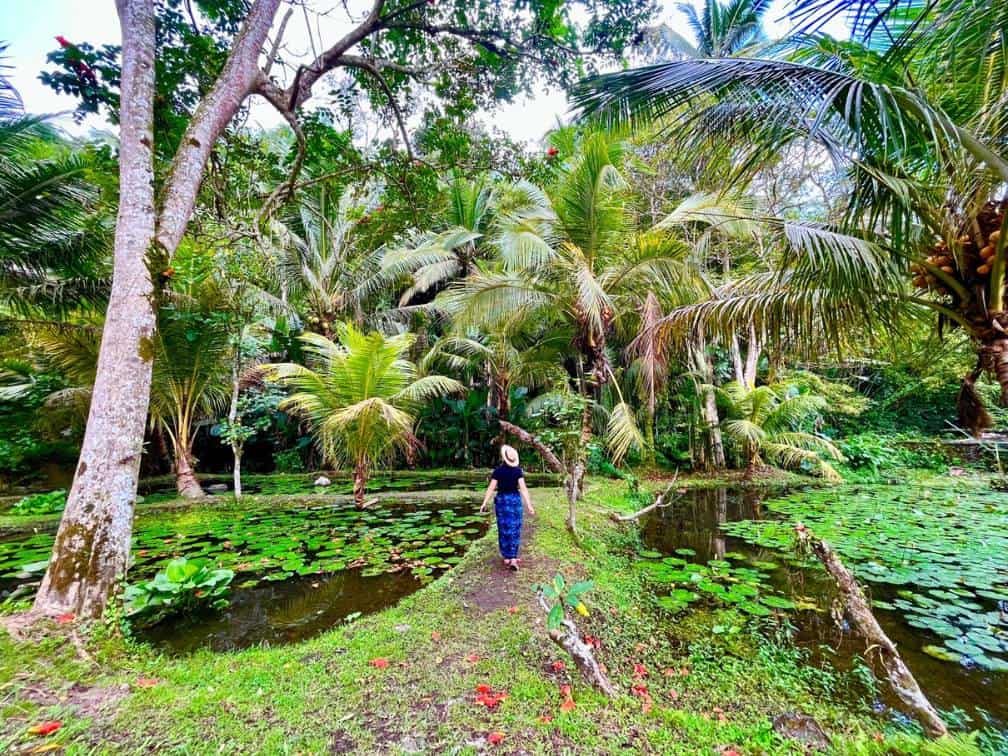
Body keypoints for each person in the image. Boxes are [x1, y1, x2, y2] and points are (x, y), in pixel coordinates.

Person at [480, 444, 536, 571]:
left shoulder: (498, 471)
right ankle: (513, 557)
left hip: (502, 501)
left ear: (503, 458)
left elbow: (491, 488)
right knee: (515, 528)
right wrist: (529, 505)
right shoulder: (517, 471)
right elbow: (523, 489)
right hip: (515, 501)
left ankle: (506, 556)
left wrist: (484, 502)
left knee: (503, 527)